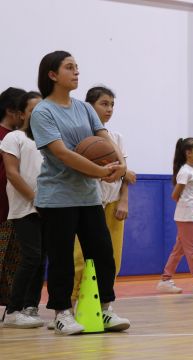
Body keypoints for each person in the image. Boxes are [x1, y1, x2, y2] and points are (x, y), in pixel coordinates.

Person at [29, 50, 130, 335]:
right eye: (69, 67)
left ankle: (106, 309)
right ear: (52, 75)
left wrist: (120, 164)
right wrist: (100, 172)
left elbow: (103, 138)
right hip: (58, 197)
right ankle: (62, 313)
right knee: (61, 258)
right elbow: (61, 153)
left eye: (77, 67)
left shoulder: (84, 108)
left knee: (102, 253)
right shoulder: (42, 111)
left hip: (88, 197)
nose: (76, 72)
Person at [71, 86, 136, 301]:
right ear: (90, 107)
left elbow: (125, 174)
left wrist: (124, 200)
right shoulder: (80, 136)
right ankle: (72, 303)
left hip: (113, 202)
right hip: (87, 203)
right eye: (104, 104)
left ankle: (101, 302)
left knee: (112, 258)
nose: (109, 109)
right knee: (81, 257)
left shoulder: (116, 137)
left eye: (112, 105)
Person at [1, 91, 45, 328]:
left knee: (41, 259)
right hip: (24, 208)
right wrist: (34, 199)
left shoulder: (48, 140)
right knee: (31, 256)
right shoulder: (14, 138)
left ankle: (31, 306)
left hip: (47, 208)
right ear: (21, 114)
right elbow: (12, 173)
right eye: (34, 110)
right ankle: (13, 309)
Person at [157, 137, 193, 293]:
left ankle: (165, 280)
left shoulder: (192, 171)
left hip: (189, 214)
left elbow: (189, 196)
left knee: (179, 249)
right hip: (185, 216)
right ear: (188, 153)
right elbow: (176, 195)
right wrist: (190, 210)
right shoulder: (185, 171)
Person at [0, 87, 26, 308]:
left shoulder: (22, 139)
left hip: (16, 209)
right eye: (22, 110)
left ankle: (13, 307)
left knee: (13, 263)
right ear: (11, 110)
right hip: (1, 208)